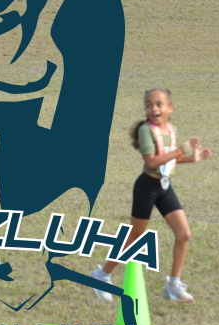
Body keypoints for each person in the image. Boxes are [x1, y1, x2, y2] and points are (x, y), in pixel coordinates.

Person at [91, 88, 212, 303]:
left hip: (164, 187)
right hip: (146, 187)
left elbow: (169, 159)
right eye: (149, 105)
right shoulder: (145, 131)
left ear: (170, 108)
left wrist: (192, 158)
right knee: (135, 236)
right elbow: (152, 161)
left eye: (159, 104)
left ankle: (173, 285)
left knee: (184, 234)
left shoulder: (171, 129)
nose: (153, 108)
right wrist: (181, 150)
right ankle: (102, 275)